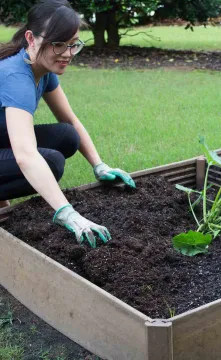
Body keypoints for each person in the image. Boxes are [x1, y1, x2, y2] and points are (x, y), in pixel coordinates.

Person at [0, 0, 135, 248]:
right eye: (58, 44)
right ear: (31, 38)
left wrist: (99, 165)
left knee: (66, 136)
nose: (67, 54)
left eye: (73, 45)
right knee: (51, 162)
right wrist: (67, 212)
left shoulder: (41, 67)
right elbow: (25, 155)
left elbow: (69, 120)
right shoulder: (15, 76)